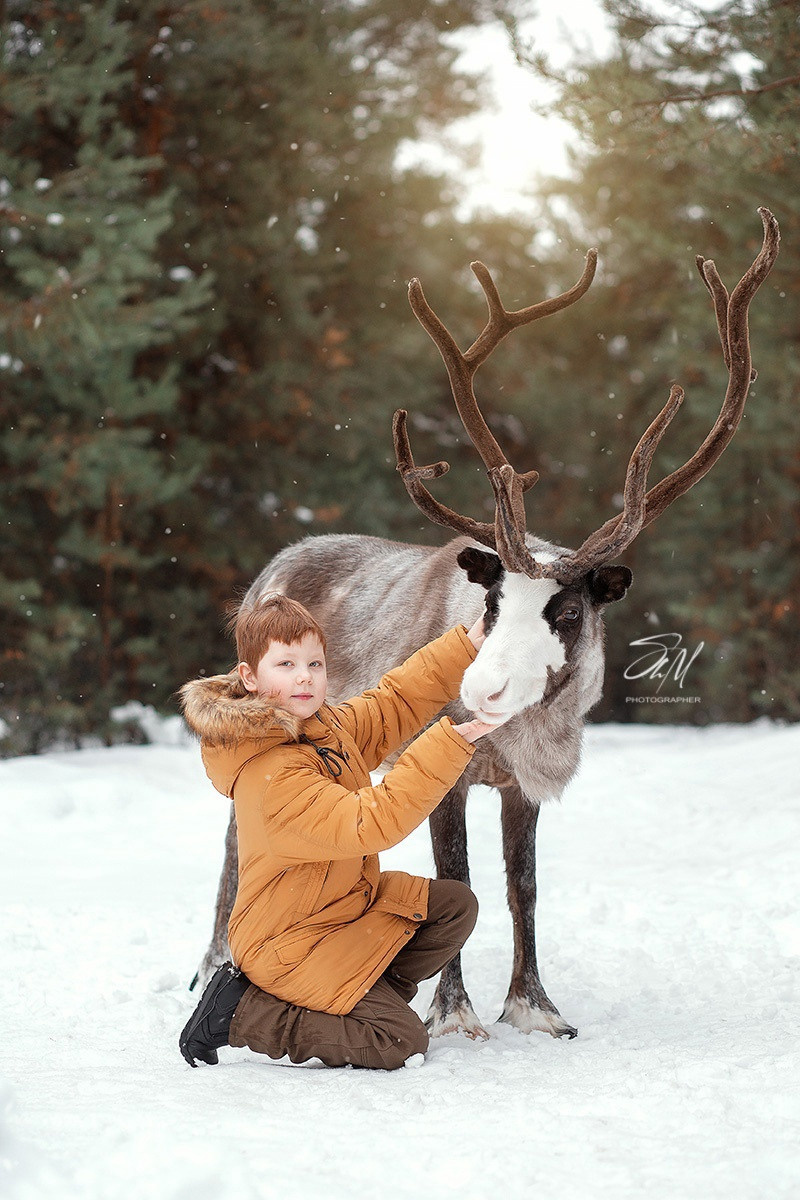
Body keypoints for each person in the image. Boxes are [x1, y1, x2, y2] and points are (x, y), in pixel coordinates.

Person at [177, 593, 501, 1071]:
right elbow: (371, 821)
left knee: (453, 907)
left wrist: (467, 645)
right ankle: (244, 1013)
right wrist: (452, 742)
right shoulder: (273, 776)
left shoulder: (320, 727)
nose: (305, 675)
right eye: (285, 663)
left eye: (314, 662)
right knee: (396, 1040)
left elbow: (394, 702)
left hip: (341, 911)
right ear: (249, 677)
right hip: (289, 944)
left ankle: (353, 994)